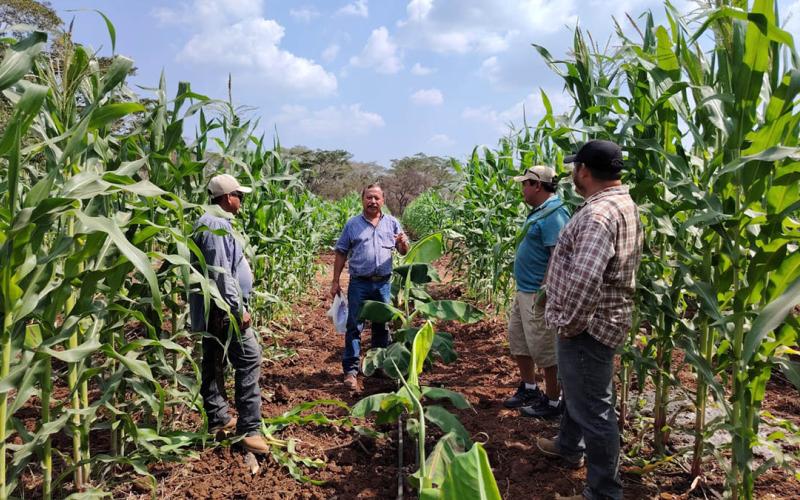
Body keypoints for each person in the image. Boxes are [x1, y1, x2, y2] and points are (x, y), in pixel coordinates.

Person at [536, 140, 643, 500]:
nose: (571, 173)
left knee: (594, 409)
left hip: (588, 327)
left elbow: (585, 278)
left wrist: (570, 325)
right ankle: (568, 445)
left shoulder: (598, 215)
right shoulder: (621, 203)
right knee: (579, 391)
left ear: (584, 170)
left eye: (574, 167)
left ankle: (603, 490)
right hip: (600, 321)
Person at [189, 174, 269, 455]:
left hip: (217, 310)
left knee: (214, 362)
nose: (242, 200)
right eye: (239, 195)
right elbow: (221, 276)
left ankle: (218, 419)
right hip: (224, 311)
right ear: (226, 198)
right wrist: (237, 310)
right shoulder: (213, 226)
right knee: (249, 358)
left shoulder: (215, 223)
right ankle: (249, 429)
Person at [503, 166, 570, 419]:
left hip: (537, 295)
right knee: (519, 341)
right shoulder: (539, 212)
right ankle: (530, 388)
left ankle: (553, 402)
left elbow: (558, 256)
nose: (523, 189)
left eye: (525, 184)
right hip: (524, 290)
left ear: (537, 185)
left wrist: (545, 291)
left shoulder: (554, 213)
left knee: (544, 350)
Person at [330, 184, 409, 392]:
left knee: (381, 326)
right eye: (368, 198)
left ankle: (378, 365)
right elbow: (340, 252)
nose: (372, 201)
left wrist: (402, 242)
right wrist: (335, 280)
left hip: (383, 283)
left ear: (383, 200)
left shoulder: (392, 223)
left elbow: (402, 251)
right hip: (359, 283)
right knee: (354, 326)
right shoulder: (353, 224)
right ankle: (351, 371)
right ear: (362, 199)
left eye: (376, 198)